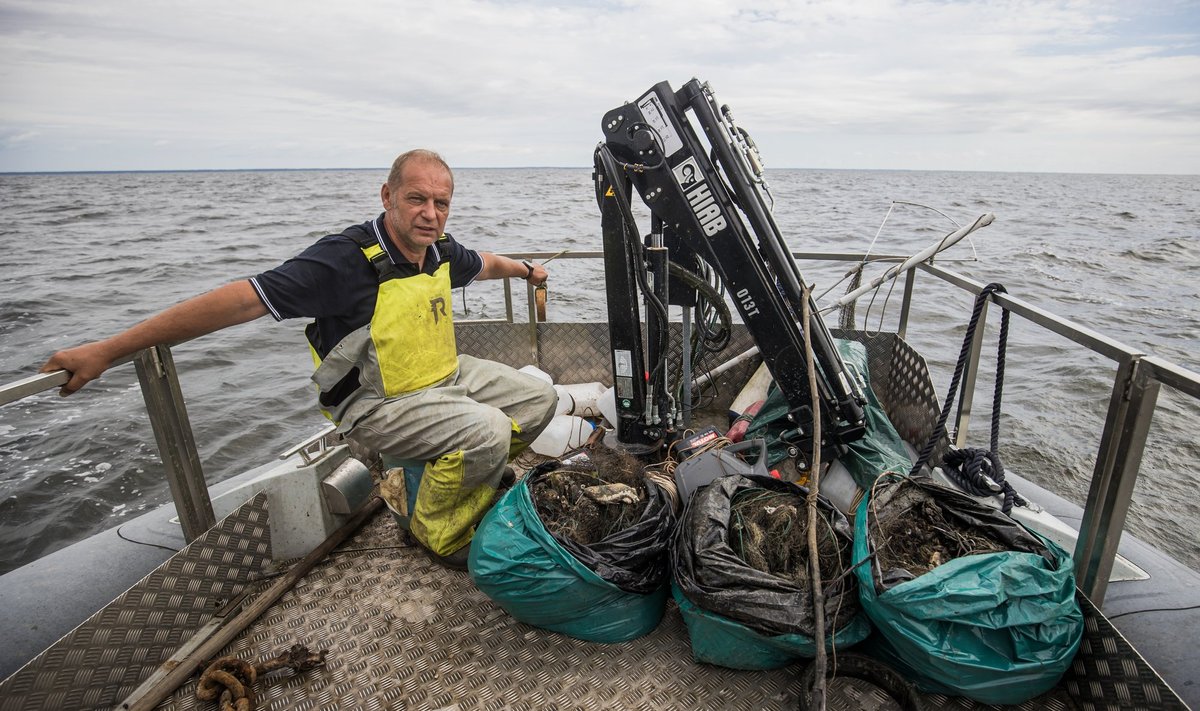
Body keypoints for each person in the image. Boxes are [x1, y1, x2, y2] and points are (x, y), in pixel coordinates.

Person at [40, 149, 559, 569]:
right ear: (387, 196)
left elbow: (484, 264)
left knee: (539, 399)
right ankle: (439, 534)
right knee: (488, 430)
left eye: (441, 202)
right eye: (417, 198)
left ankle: (463, 481)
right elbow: (240, 299)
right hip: (378, 405)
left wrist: (526, 270)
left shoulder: (439, 248)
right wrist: (108, 350)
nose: (430, 213)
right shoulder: (342, 260)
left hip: (443, 379)